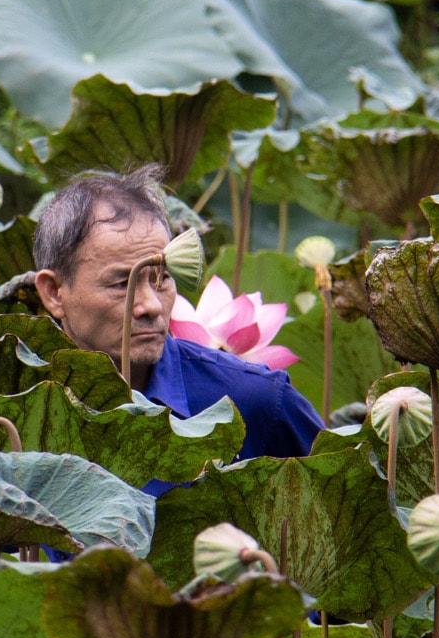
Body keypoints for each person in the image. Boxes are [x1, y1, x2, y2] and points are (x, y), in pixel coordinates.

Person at [33, 166, 325, 471]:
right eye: (121, 284)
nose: (151, 306)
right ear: (53, 292)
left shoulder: (256, 400)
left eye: (162, 278)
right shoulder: (17, 407)